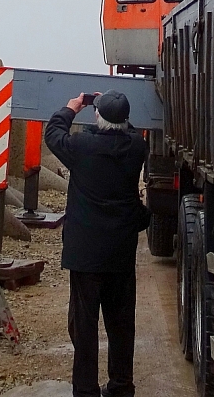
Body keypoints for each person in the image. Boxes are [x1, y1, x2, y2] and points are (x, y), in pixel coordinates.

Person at [45, 90, 148, 397]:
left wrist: (71, 107)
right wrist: (113, 108)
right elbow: (127, 132)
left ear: (97, 116)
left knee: (85, 327)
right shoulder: (136, 148)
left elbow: (53, 133)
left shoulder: (80, 146)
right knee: (121, 325)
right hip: (119, 252)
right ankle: (120, 387)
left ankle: (86, 390)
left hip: (84, 255)